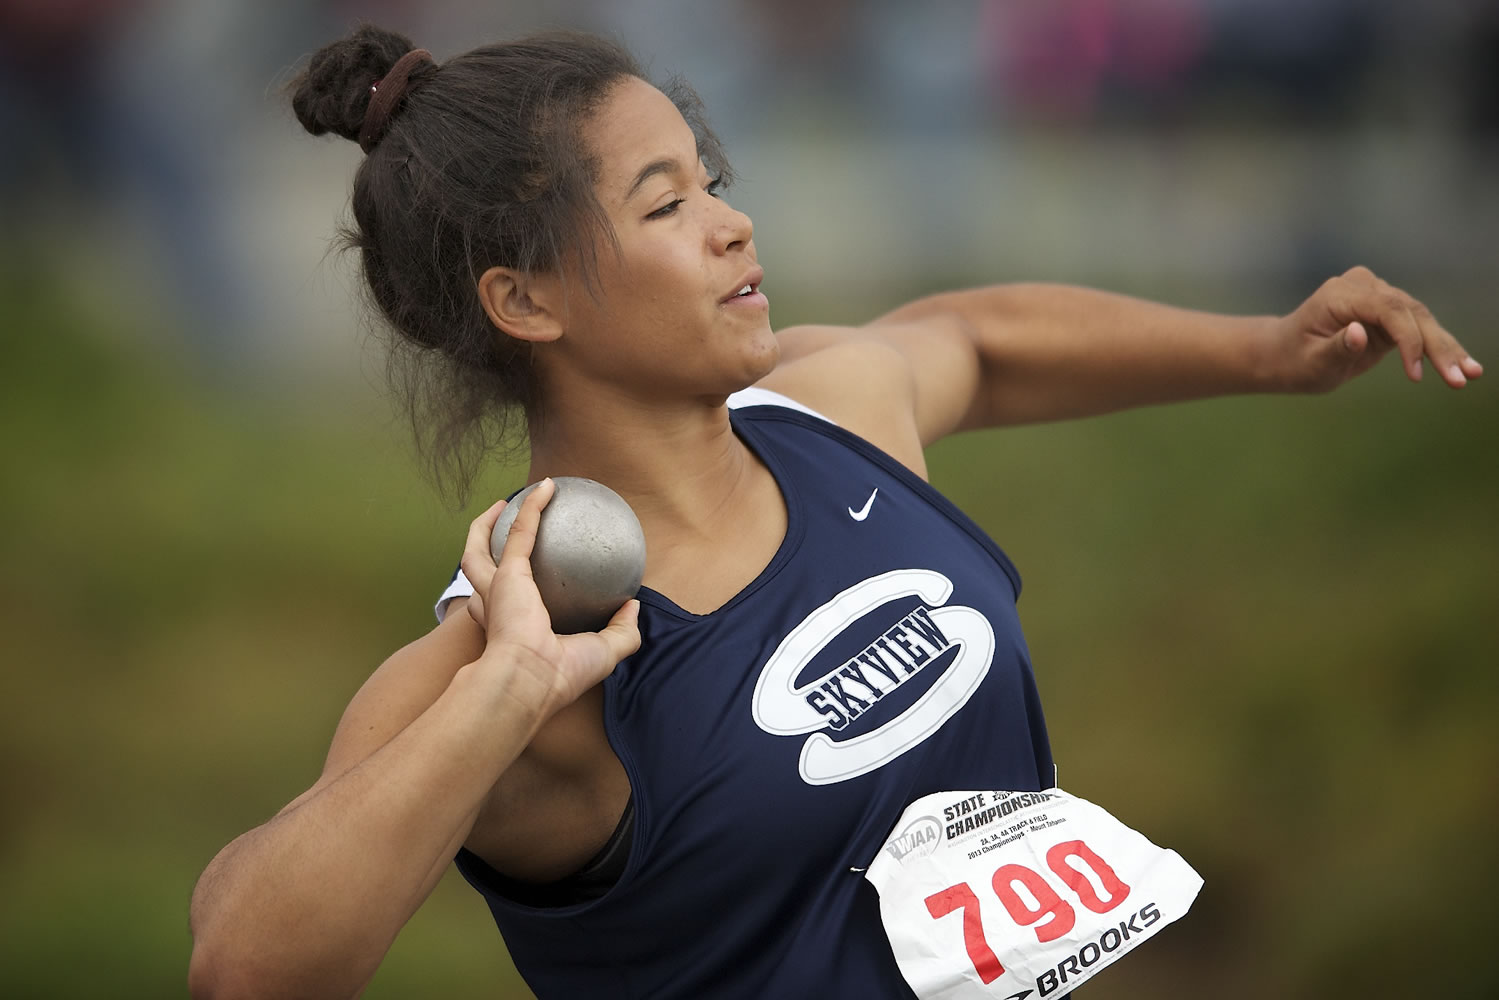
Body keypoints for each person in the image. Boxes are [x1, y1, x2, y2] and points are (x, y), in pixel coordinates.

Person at [186, 24, 1481, 1000]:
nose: (734, 225)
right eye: (666, 203)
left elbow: (970, 337)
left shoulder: (832, 415)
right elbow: (245, 962)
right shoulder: (523, 656)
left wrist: (1267, 350)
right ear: (525, 302)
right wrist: (502, 696)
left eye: (712, 180)